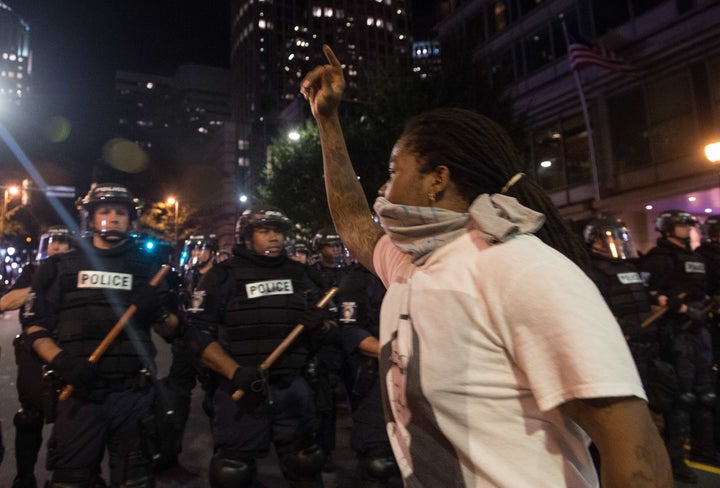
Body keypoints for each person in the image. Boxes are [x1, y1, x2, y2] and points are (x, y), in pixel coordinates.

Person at [300, 45, 672, 486]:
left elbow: (633, 455)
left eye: (393, 170)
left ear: (437, 179)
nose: (383, 187)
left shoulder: (524, 271)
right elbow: (354, 223)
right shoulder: (414, 264)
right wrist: (327, 122)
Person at [22, 183, 182, 487]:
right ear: (92, 219)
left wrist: (157, 312)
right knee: (72, 481)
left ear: (130, 220)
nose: (113, 218)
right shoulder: (60, 267)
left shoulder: (149, 269)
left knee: (135, 481)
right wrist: (62, 361)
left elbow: (174, 329)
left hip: (133, 396)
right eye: (105, 211)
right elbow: (34, 326)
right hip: (79, 393)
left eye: (120, 212)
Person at [184, 206, 329, 488]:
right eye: (265, 231)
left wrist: (321, 325)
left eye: (278, 231)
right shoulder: (222, 276)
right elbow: (197, 334)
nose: (274, 237)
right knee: (233, 472)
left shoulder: (302, 274)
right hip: (241, 388)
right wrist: (235, 372)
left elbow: (334, 329)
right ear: (247, 237)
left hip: (293, 387)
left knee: (305, 462)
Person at [0, 225, 73, 488]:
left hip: (66, 352)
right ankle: (25, 476)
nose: (56, 247)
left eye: (62, 243)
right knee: (29, 417)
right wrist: (38, 284)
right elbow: (5, 302)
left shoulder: (76, 273)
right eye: (52, 242)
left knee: (72, 417)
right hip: (33, 356)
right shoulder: (32, 272)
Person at [155, 232, 220, 470]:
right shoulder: (186, 277)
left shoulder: (220, 277)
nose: (196, 254)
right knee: (176, 396)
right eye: (193, 249)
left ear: (213, 252)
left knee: (216, 400)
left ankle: (224, 456)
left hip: (210, 344)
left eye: (202, 249)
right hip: (185, 345)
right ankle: (170, 451)